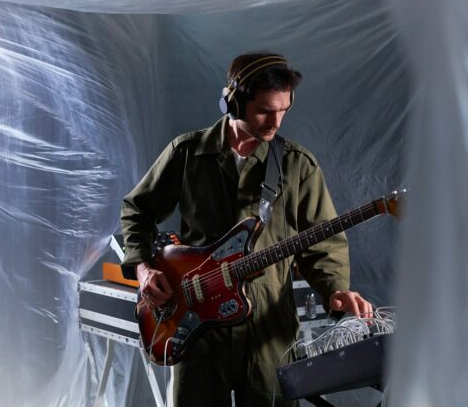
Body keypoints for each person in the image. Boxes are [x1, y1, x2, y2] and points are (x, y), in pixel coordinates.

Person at [119, 51, 372, 406]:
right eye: (265, 110)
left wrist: (335, 290)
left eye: (284, 110)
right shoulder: (187, 154)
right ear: (234, 103)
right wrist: (144, 270)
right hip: (197, 333)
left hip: (269, 337)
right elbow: (137, 210)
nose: (276, 122)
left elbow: (323, 243)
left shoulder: (298, 166)